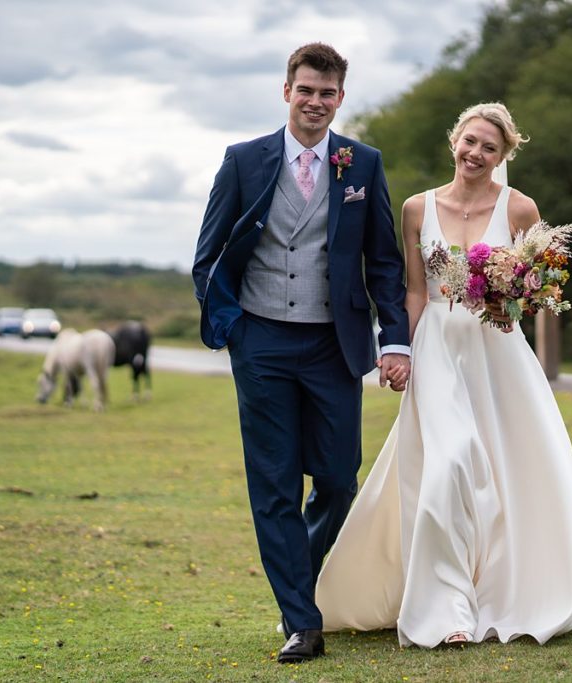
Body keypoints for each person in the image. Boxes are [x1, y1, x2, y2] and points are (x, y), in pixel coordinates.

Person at [315, 102, 572, 648]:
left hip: (498, 354)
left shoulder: (519, 209)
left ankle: (494, 588)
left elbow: (540, 288)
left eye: (489, 148)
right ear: (454, 141)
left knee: (501, 472)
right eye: (470, 141)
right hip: (438, 349)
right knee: (447, 466)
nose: (476, 153)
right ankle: (446, 612)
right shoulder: (418, 209)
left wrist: (514, 296)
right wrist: (400, 350)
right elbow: (414, 290)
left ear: (503, 155)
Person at [191, 43, 411, 664]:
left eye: (328, 93)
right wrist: (232, 327)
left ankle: (303, 581)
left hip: (332, 342)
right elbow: (208, 257)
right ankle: (302, 620)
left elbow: (385, 263)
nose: (316, 102)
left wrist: (395, 337)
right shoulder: (243, 160)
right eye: (306, 90)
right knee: (274, 484)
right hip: (260, 341)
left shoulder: (361, 164)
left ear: (341, 99)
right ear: (286, 91)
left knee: (339, 479)